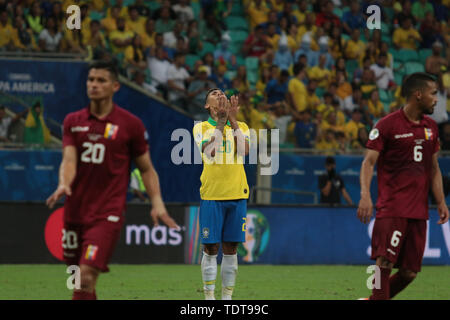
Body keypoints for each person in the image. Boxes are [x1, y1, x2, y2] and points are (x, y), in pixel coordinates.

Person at [46, 60, 179, 300]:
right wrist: (64, 183)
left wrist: (157, 203)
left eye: (101, 80)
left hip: (107, 212)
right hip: (75, 211)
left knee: (86, 276)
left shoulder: (131, 125)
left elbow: (147, 169)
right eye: (91, 80)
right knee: (80, 281)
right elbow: (69, 160)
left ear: (115, 86)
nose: (94, 85)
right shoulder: (73, 122)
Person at [357, 72, 449, 300]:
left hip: (419, 211)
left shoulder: (431, 128)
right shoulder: (387, 125)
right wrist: (365, 195)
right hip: (393, 207)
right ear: (418, 95)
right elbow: (368, 162)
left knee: (409, 272)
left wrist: (440, 201)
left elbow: (434, 168)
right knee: (384, 262)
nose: (436, 99)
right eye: (433, 93)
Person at [192, 88, 250, 300]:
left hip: (236, 193)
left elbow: (244, 151)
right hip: (212, 194)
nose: (220, 94)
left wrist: (232, 121)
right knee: (210, 247)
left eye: (222, 92)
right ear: (207, 104)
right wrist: (220, 123)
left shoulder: (241, 126)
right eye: (214, 93)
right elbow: (210, 151)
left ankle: (226, 299)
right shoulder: (201, 127)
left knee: (231, 248)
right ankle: (209, 298)